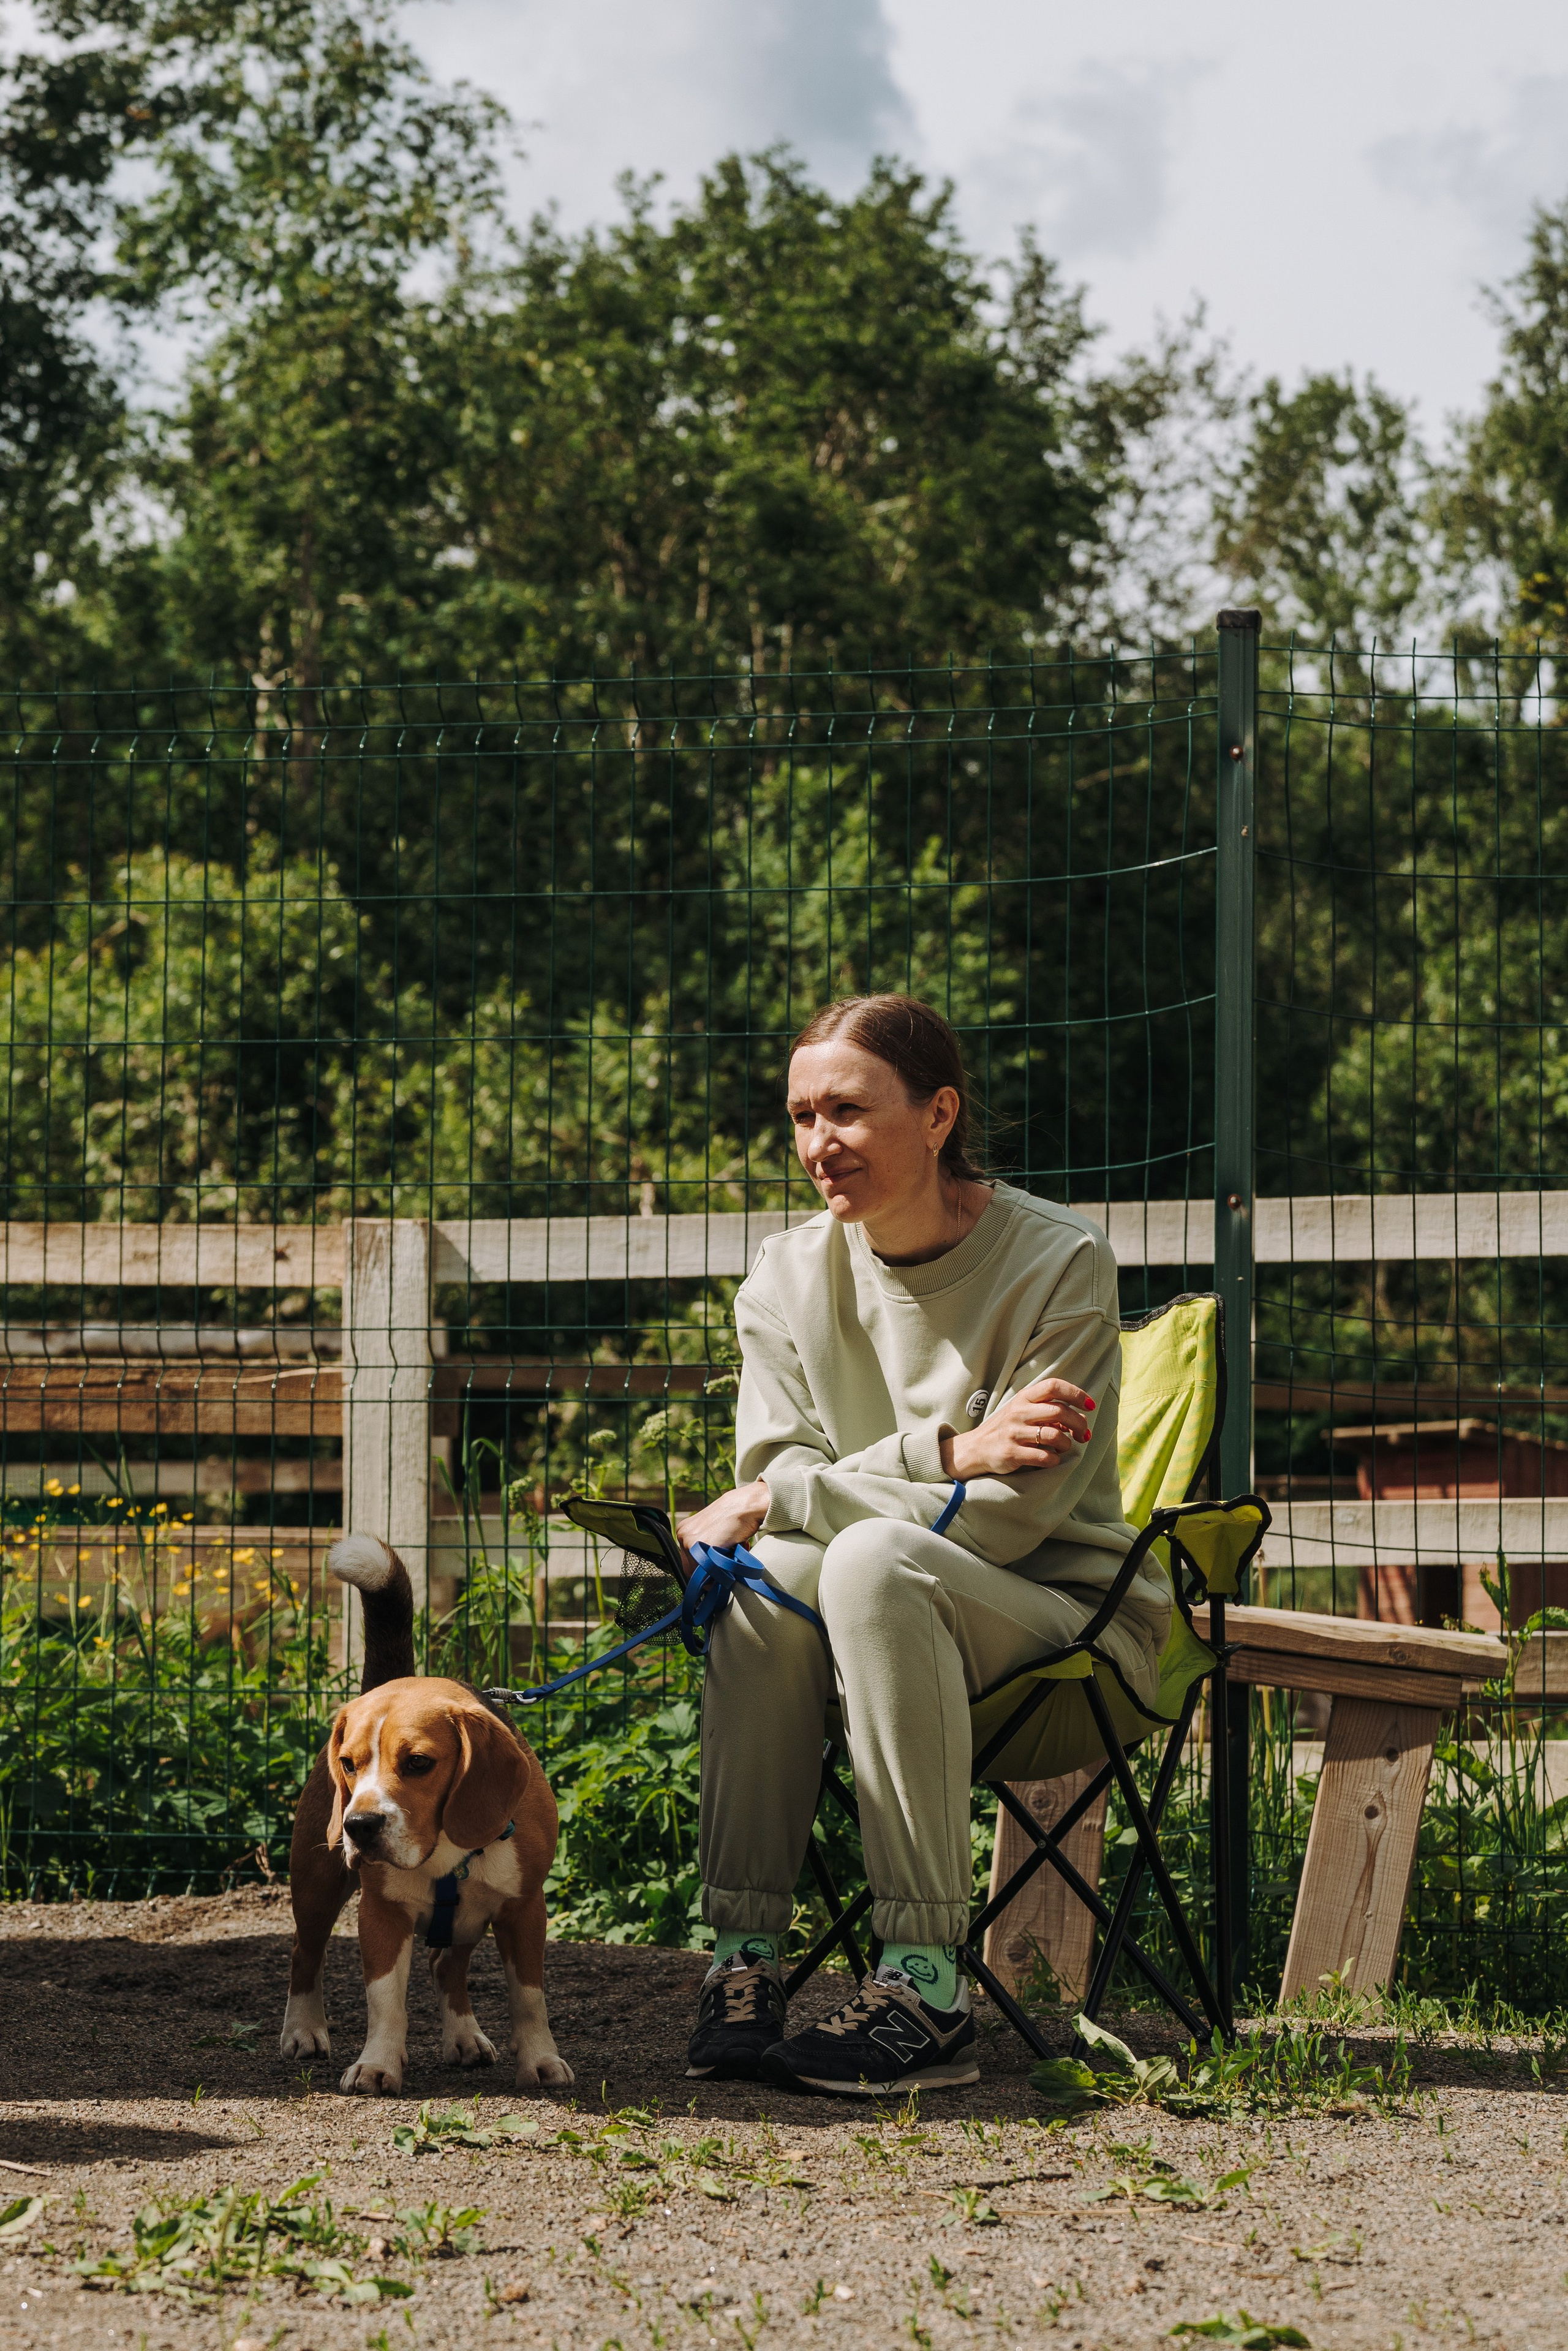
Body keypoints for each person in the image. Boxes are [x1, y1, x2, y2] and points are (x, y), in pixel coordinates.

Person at [676, 993, 1167, 2096]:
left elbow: (1010, 1515)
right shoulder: (783, 1277)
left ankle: (925, 1983)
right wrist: (949, 1452)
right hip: (873, 1630)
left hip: (1061, 1622)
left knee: (862, 1558)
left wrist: (843, 1485)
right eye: (801, 1116)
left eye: (848, 1110)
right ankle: (744, 1959)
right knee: (766, 1573)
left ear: (939, 1114)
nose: (819, 1143)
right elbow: (774, 1490)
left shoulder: (1060, 1260)